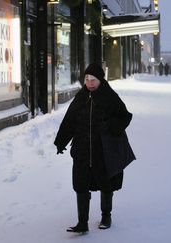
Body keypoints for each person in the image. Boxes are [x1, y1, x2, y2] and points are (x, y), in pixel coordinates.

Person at [54, 63, 135, 234]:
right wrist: (61, 141)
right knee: (80, 184)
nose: (89, 83)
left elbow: (125, 117)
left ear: (100, 80)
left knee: (106, 184)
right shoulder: (81, 97)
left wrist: (110, 126)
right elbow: (70, 121)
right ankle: (82, 222)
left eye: (93, 80)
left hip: (103, 151)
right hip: (82, 149)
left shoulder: (110, 97)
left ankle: (106, 216)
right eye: (87, 80)